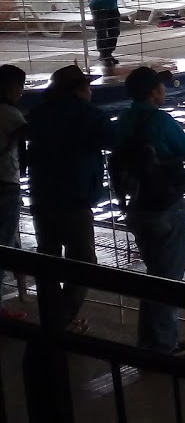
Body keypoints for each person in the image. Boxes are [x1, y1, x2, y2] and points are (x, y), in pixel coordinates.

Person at [113, 67, 185, 355]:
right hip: (166, 209)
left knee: (153, 276)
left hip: (137, 206)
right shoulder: (161, 120)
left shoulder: (124, 119)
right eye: (161, 87)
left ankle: (149, 341)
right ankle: (163, 346)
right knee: (168, 280)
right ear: (153, 93)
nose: (164, 91)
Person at [24, 62, 115, 331]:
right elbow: (114, 139)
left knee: (48, 260)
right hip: (75, 198)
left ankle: (51, 319)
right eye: (88, 86)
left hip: (41, 195)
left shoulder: (38, 113)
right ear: (79, 90)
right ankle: (60, 322)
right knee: (84, 262)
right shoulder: (89, 115)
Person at [0, 63, 25, 318]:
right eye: (19, 87)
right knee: (4, 245)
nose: (21, 92)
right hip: (5, 184)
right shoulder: (9, 114)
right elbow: (32, 133)